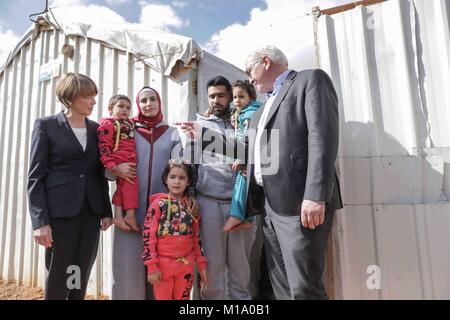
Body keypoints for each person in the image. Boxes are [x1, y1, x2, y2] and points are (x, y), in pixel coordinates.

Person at [244, 45, 343, 299]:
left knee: (303, 287)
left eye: (249, 70)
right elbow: (250, 152)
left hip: (300, 203)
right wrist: (202, 137)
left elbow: (323, 137)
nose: (249, 79)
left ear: (265, 61)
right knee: (281, 287)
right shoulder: (259, 112)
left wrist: (315, 195)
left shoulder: (310, 80)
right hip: (268, 207)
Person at [27, 72, 113, 300]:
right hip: (60, 214)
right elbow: (35, 177)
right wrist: (40, 222)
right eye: (88, 96)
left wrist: (106, 210)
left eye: (94, 96)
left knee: (80, 270)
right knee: (59, 272)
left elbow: (97, 172)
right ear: (71, 97)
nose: (94, 101)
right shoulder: (46, 126)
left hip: (91, 212)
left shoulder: (97, 130)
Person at [182, 76, 256, 300]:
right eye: (212, 96)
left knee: (241, 269)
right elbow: (190, 163)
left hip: (241, 204)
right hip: (209, 202)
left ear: (231, 97)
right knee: (212, 266)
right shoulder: (199, 125)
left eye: (221, 95)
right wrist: (192, 195)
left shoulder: (244, 122)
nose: (216, 100)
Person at [111, 86, 182, 300]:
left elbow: (180, 171)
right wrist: (114, 169)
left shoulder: (171, 133)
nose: (148, 104)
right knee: (128, 268)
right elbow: (107, 165)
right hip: (129, 211)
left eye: (152, 99)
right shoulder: (125, 129)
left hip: (161, 214)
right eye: (143, 101)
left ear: (159, 103)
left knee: (159, 269)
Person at [142, 159, 208, 300]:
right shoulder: (157, 205)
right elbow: (148, 237)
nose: (177, 182)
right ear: (166, 180)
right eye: (172, 177)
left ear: (188, 182)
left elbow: (197, 239)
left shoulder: (192, 208)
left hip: (186, 267)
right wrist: (152, 267)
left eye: (182, 178)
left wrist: (202, 267)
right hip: (162, 267)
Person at [223, 80, 262, 232]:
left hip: (247, 156)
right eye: (234, 97)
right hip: (247, 155)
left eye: (241, 97)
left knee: (241, 185)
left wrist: (241, 158)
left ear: (251, 97)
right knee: (247, 187)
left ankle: (236, 216)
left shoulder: (250, 114)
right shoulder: (244, 112)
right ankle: (248, 218)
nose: (237, 101)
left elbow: (250, 136)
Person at [98, 94, 140, 232]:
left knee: (123, 188)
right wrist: (112, 166)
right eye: (120, 106)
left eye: (128, 108)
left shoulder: (128, 123)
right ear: (110, 108)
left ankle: (118, 216)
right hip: (120, 160)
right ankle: (130, 215)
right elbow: (104, 146)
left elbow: (140, 118)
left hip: (128, 158)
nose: (125, 110)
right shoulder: (109, 125)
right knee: (131, 185)